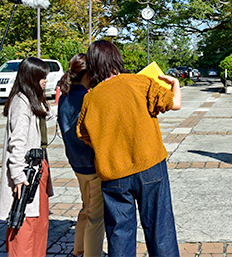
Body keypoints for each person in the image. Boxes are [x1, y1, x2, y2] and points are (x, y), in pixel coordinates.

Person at [77, 40, 182, 257]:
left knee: (119, 234)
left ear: (94, 65)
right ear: (116, 58)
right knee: (160, 228)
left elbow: (84, 135)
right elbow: (174, 104)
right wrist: (175, 84)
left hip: (113, 173)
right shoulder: (140, 82)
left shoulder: (91, 98)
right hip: (150, 166)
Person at [0, 57, 56, 257]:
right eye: (42, 77)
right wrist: (18, 175)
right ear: (31, 77)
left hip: (38, 169)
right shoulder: (21, 102)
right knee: (24, 223)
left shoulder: (33, 99)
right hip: (27, 172)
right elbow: (17, 143)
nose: (45, 81)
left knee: (38, 222)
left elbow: (47, 113)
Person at [57, 54, 104, 257]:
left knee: (86, 208)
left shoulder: (64, 97)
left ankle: (79, 250)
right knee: (96, 216)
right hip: (93, 163)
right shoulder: (89, 98)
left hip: (76, 163)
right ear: (89, 73)